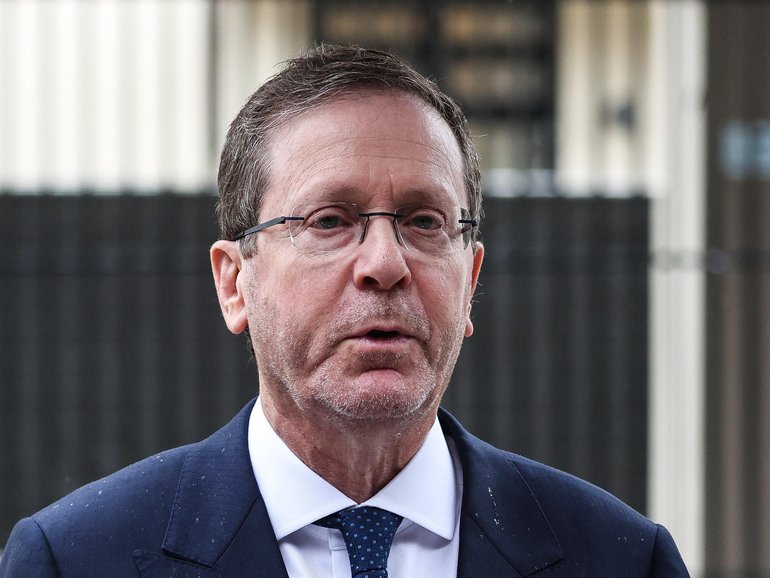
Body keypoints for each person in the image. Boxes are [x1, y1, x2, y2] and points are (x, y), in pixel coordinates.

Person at [0, 44, 689, 577]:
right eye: (329, 221)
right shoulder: (77, 558)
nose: (385, 263)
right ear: (234, 283)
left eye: (424, 221)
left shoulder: (622, 558)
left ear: (471, 280)